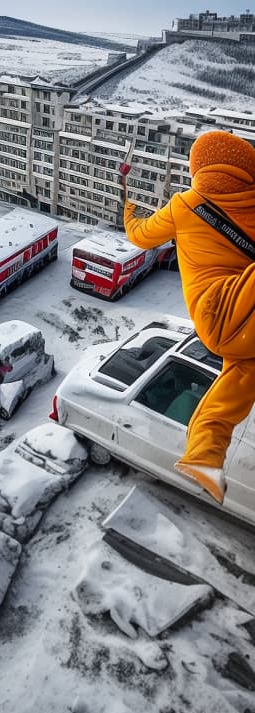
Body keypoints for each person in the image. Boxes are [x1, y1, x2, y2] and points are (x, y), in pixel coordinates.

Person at [122, 130, 255, 504]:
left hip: (220, 322)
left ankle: (203, 457)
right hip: (239, 309)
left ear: (198, 167)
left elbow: (143, 237)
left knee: (238, 382)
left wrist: (129, 213)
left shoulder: (184, 205)